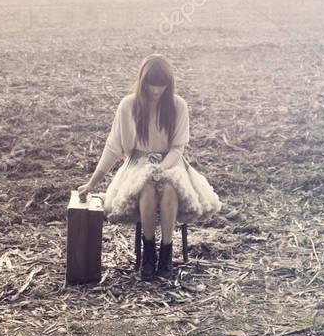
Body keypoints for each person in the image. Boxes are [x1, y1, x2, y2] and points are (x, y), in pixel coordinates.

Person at [78, 54, 222, 280]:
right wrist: (93, 182)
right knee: (145, 186)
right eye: (151, 84)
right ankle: (148, 252)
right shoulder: (128, 105)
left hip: (171, 162)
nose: (156, 90)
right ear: (142, 81)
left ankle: (166, 250)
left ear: (169, 83)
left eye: (161, 85)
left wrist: (162, 168)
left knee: (170, 187)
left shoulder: (178, 105)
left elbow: (177, 148)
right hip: (138, 162)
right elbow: (113, 147)